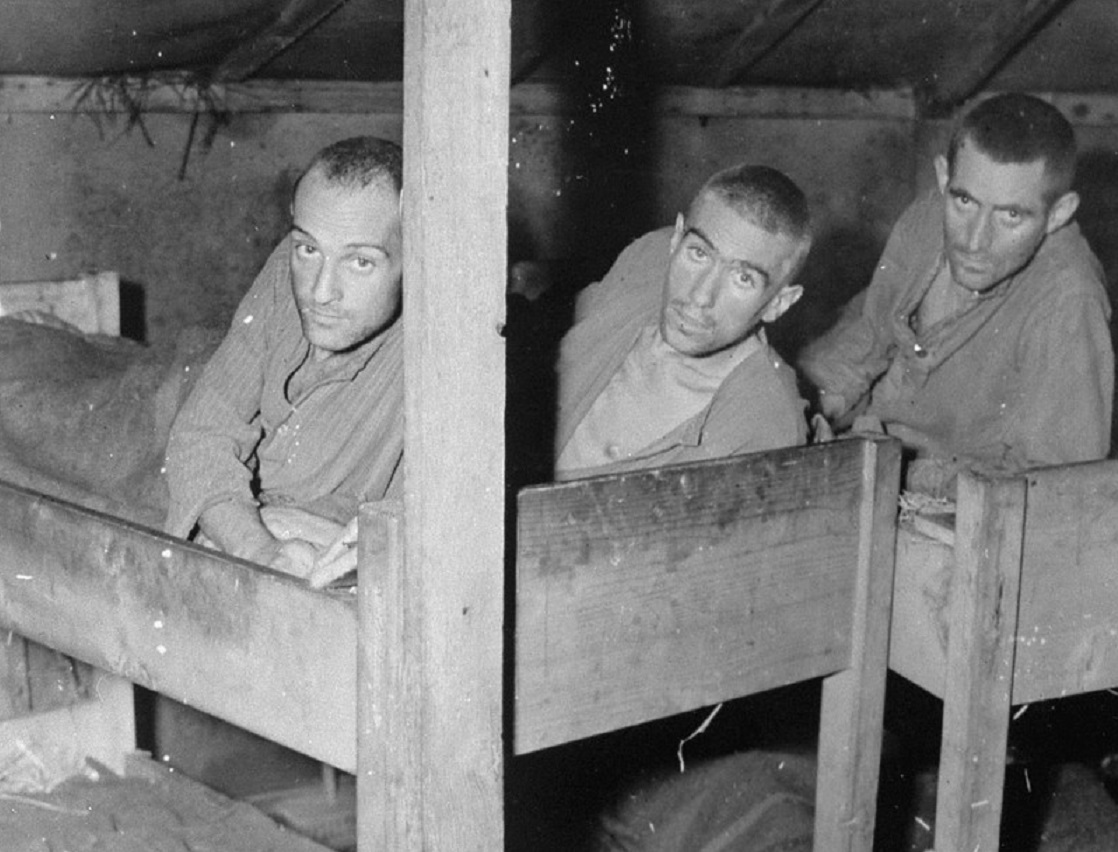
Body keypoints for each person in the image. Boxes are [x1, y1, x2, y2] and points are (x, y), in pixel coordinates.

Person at [801, 93, 1113, 493]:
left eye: (1011, 215)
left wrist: (896, 474)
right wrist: (811, 406)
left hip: (950, 518)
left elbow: (1054, 490)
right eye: (965, 200)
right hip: (864, 462)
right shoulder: (928, 217)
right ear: (945, 177)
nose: (975, 240)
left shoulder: (1069, 300)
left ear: (1059, 214)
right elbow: (866, 336)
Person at [163, 136, 404, 580]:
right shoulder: (282, 270)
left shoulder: (443, 344)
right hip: (233, 501)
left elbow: (414, 521)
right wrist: (258, 548)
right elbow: (199, 434)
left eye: (360, 263)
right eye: (308, 249)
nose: (320, 291)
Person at [552, 163, 813, 481]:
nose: (700, 296)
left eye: (743, 278)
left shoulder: (761, 422)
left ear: (778, 303)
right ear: (675, 239)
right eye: (699, 254)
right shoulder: (647, 262)